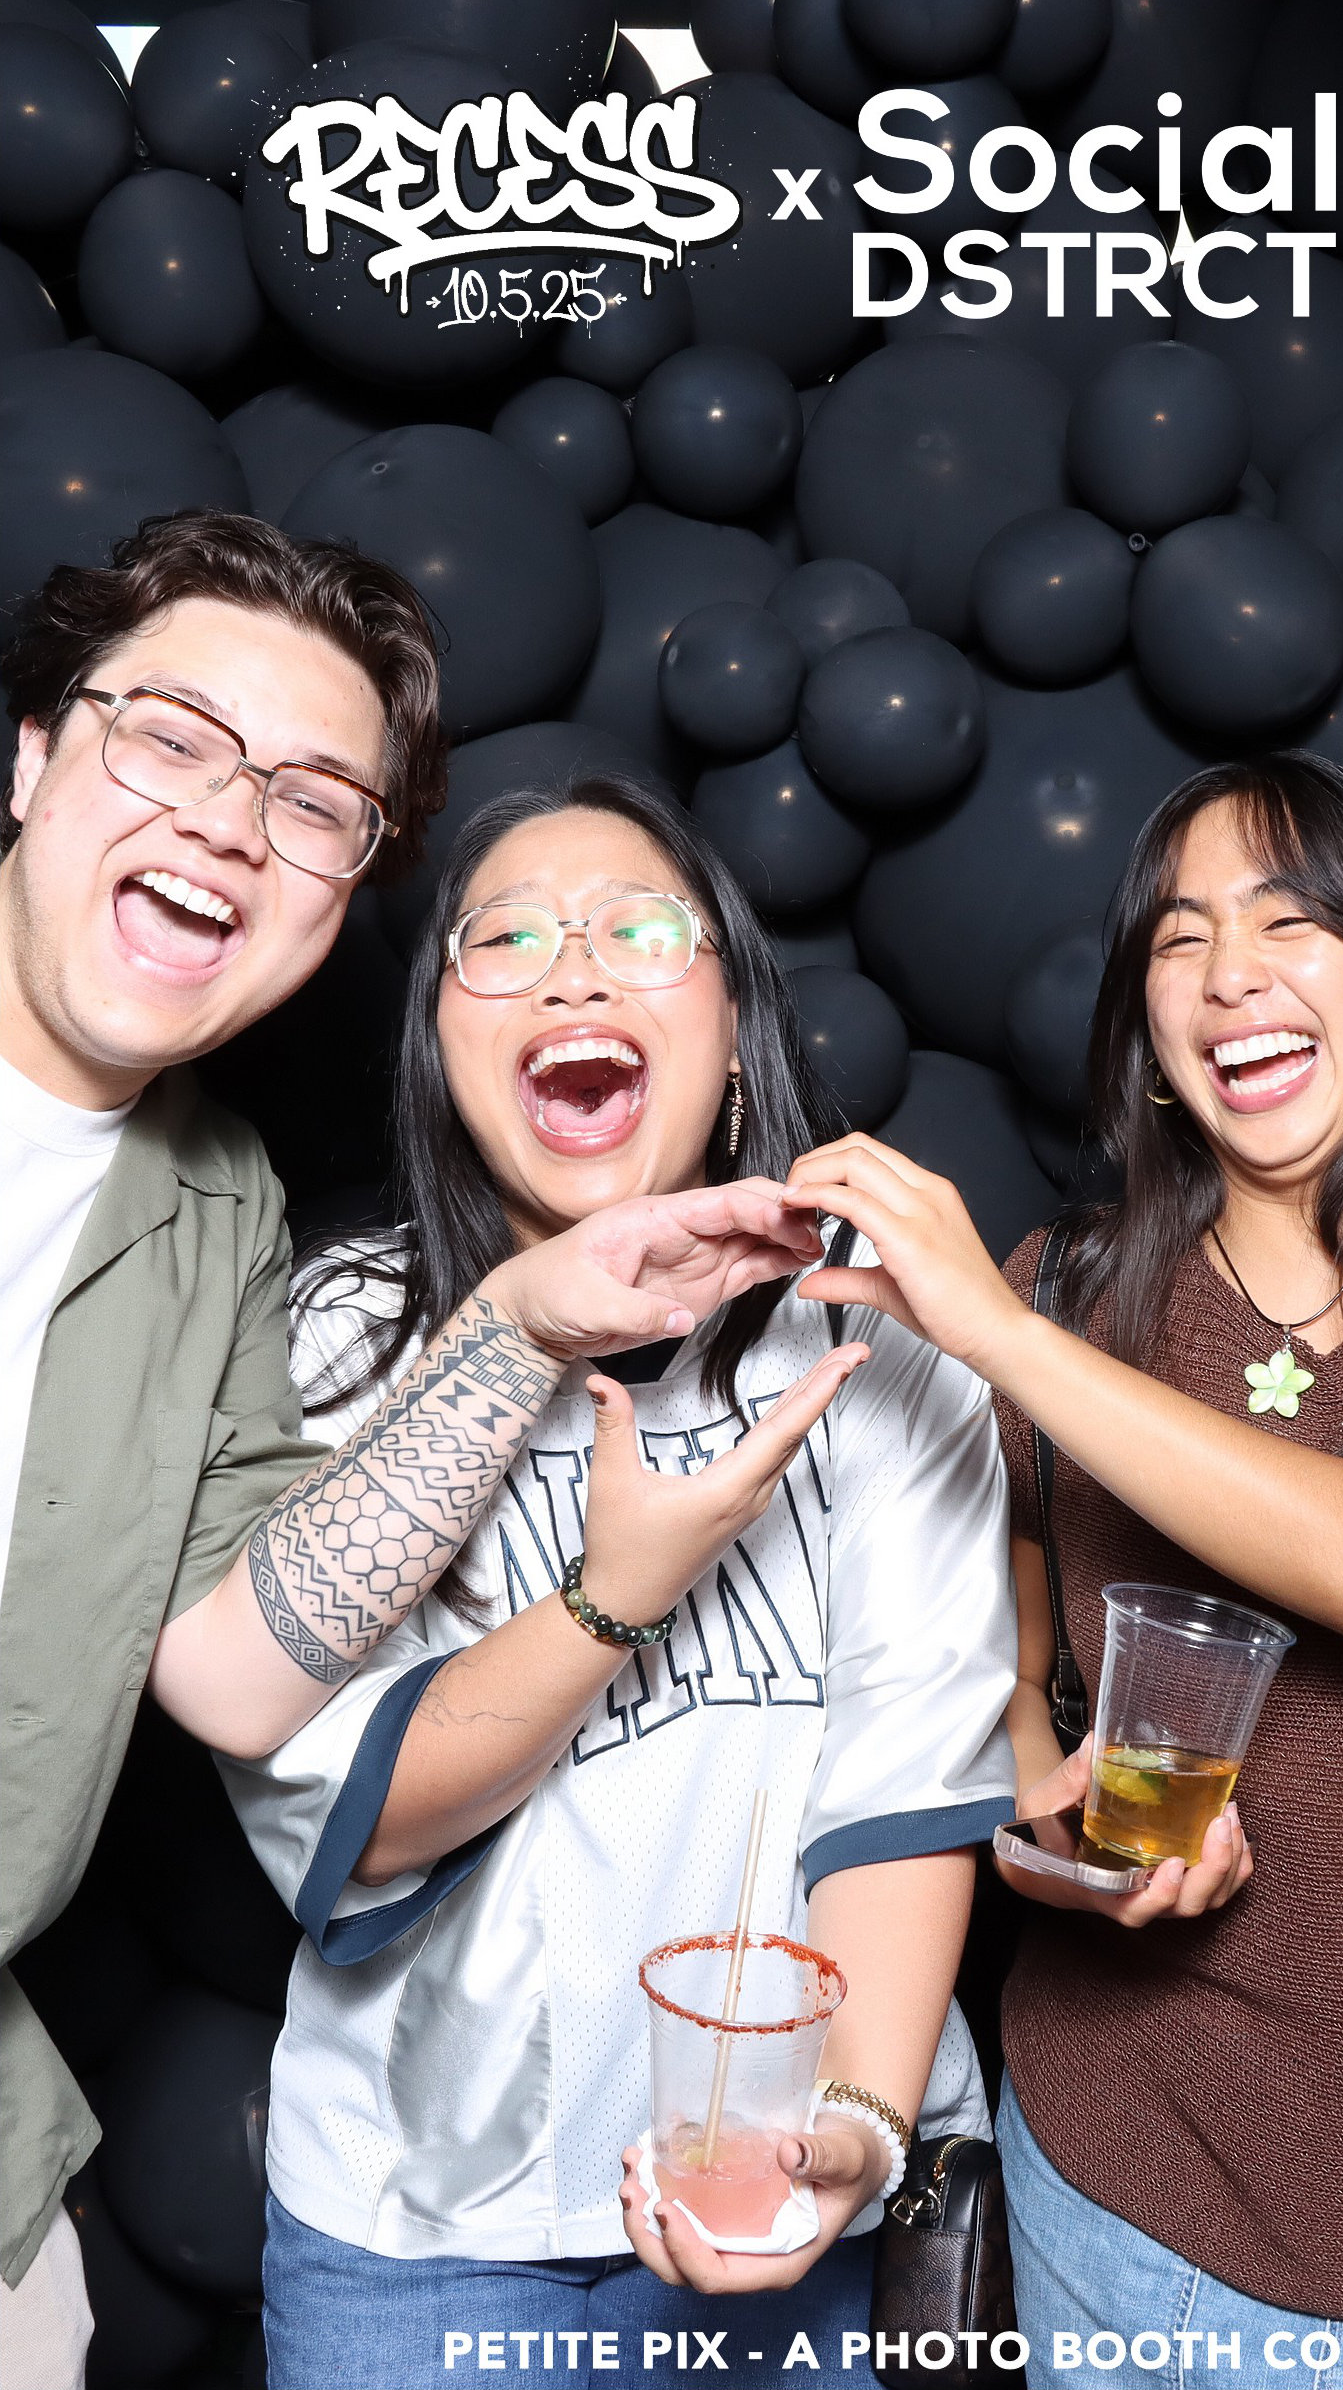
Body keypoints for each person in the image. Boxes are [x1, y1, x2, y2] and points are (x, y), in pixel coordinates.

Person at [782, 755, 1343, 2390]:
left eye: (1293, 922)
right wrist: (1059, 1840)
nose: (1230, 976)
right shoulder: (1065, 1292)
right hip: (1112, 2179)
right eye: (1180, 937)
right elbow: (1005, 1686)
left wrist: (996, 1337)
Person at [0, 516, 805, 2390]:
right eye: (171, 739)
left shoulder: (214, 1213)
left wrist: (522, 1325)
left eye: (312, 802)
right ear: (28, 758)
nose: (227, 823)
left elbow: (227, 1671)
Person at [217, 774, 1017, 2390]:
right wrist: (616, 1596)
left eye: (640, 932)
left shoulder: (887, 1336)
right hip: (421, 2233)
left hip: (805, 2204)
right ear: (442, 1054)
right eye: (505, 940)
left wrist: (850, 2139)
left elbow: (908, 1790)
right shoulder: (340, 1341)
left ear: (735, 1032)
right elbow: (353, 1809)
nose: (573, 969)